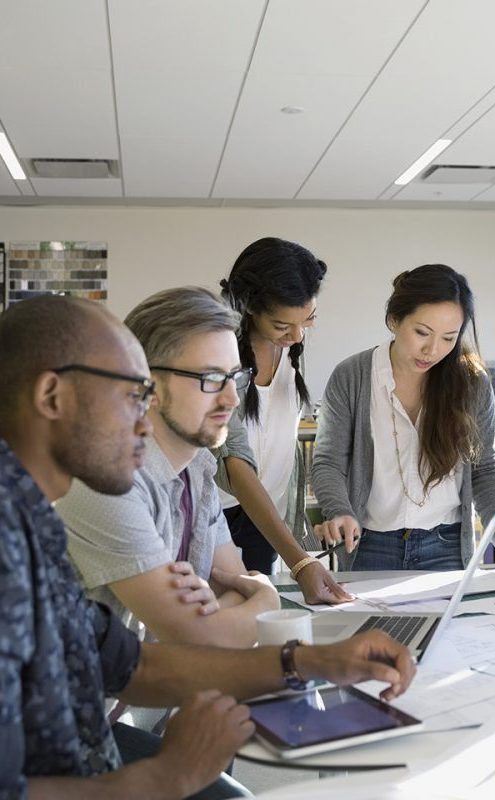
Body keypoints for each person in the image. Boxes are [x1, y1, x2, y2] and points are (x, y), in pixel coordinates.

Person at [0, 294, 415, 798]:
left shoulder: (31, 519)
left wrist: (310, 662)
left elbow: (128, 664)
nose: (144, 416)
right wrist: (166, 776)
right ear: (52, 397)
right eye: (133, 394)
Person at [58, 287, 280, 650]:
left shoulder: (199, 468)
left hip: (171, 699)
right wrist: (266, 600)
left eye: (235, 377)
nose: (232, 399)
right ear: (147, 384)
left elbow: (234, 582)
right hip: (97, 705)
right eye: (210, 379)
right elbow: (201, 636)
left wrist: (219, 612)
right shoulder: (107, 481)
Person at [311, 264, 495, 572]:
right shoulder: (353, 376)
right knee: (372, 623)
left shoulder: (471, 382)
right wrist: (340, 511)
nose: (432, 350)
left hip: (447, 544)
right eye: (422, 333)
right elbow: (328, 462)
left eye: (448, 338)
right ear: (394, 320)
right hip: (371, 545)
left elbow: (484, 468)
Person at [217, 237, 350, 604]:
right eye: (281, 325)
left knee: (262, 616)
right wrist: (301, 561)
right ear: (249, 310)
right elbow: (233, 462)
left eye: (308, 320)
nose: (296, 335)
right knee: (225, 619)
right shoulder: (221, 353)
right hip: (223, 515)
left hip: (269, 515)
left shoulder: (290, 349)